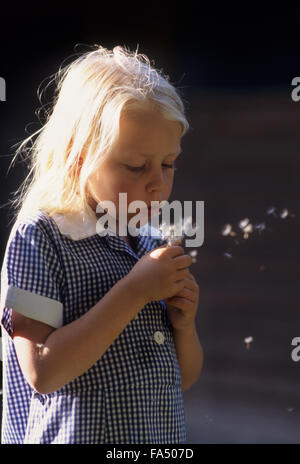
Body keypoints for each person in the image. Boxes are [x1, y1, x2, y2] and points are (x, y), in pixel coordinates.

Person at [0, 45, 203, 444]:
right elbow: (43, 372)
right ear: (79, 158)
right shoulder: (41, 236)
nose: (157, 183)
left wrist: (185, 326)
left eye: (168, 163)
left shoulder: (151, 241)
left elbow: (183, 379)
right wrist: (135, 291)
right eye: (135, 165)